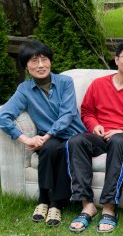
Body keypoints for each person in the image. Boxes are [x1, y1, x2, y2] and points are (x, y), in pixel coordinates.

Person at [67, 40, 123, 233]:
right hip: (100, 134)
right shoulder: (98, 85)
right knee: (76, 141)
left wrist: (121, 129)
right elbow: (87, 111)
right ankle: (87, 205)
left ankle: (109, 208)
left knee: (117, 141)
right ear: (116, 60)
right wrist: (94, 124)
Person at [0, 40, 86, 226]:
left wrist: (46, 135)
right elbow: (3, 115)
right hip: (50, 140)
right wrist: (25, 139)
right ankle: (47, 201)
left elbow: (68, 114)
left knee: (58, 148)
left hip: (75, 135)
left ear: (50, 62)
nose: (40, 65)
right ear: (26, 66)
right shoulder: (24, 89)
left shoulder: (65, 82)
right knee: (49, 149)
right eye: (34, 61)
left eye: (44, 59)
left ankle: (51, 202)